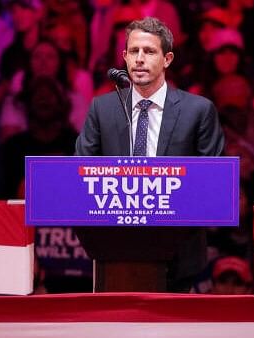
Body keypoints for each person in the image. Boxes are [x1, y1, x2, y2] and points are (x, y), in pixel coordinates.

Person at [75, 17, 224, 292]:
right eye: (134, 51)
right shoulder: (102, 109)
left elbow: (213, 185)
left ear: (167, 59)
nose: (139, 59)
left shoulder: (198, 111)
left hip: (180, 256)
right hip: (114, 251)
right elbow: (79, 177)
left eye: (149, 51)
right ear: (124, 57)